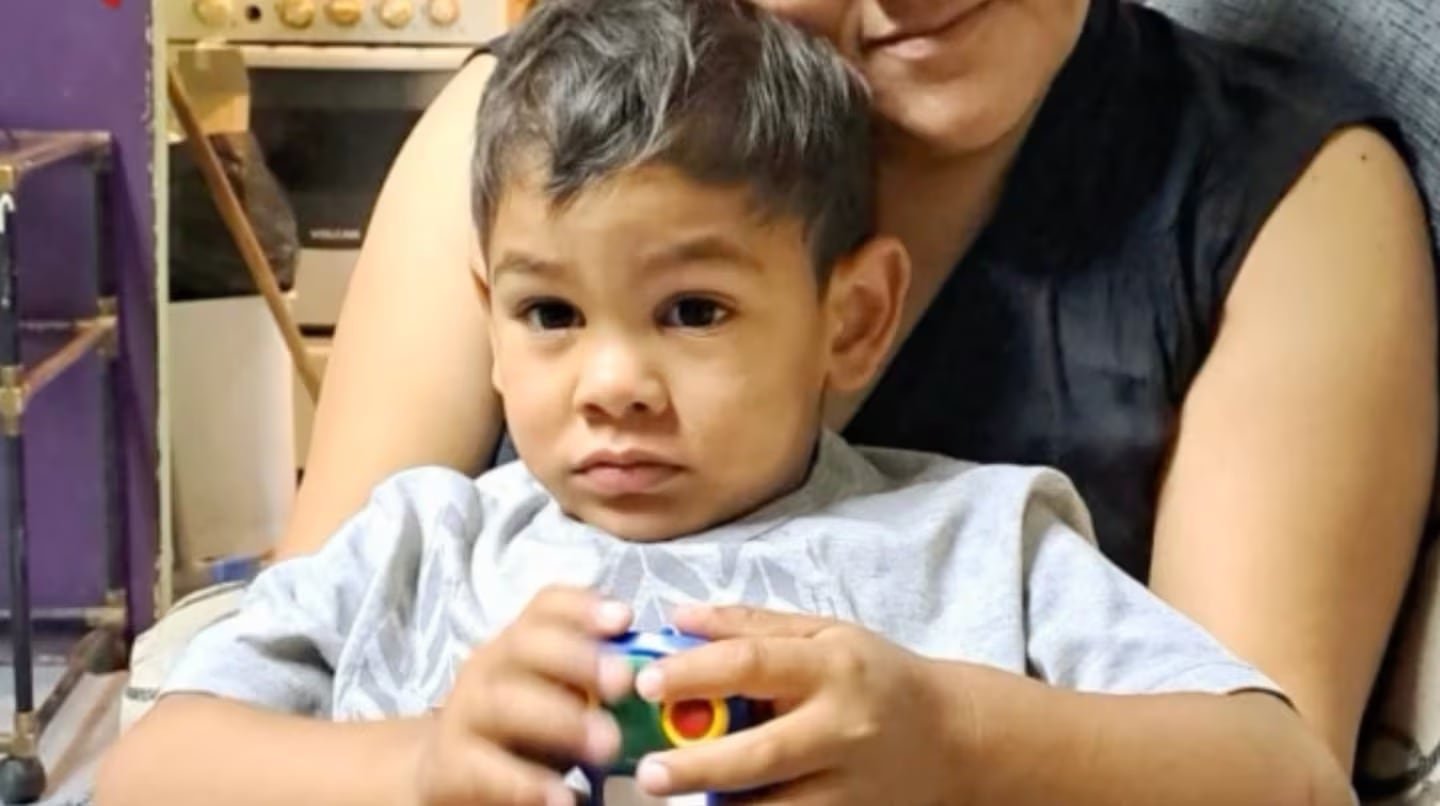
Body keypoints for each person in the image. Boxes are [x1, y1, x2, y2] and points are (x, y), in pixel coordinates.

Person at [98, 2, 1352, 803]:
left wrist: (959, 736)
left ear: (852, 320)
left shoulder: (986, 542)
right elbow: (146, 770)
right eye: (550, 314)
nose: (613, 385)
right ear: (488, 319)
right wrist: (416, 763)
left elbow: (1287, 773)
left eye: (693, 310)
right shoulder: (420, 543)